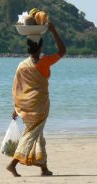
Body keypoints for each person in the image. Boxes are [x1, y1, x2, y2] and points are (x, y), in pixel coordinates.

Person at [7, 22, 67, 177]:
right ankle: (13, 164)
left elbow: (17, 89)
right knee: (31, 135)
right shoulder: (44, 61)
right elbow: (62, 51)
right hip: (39, 106)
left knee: (38, 135)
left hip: (25, 107)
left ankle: (44, 168)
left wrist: (16, 107)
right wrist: (53, 30)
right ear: (40, 46)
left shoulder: (22, 65)